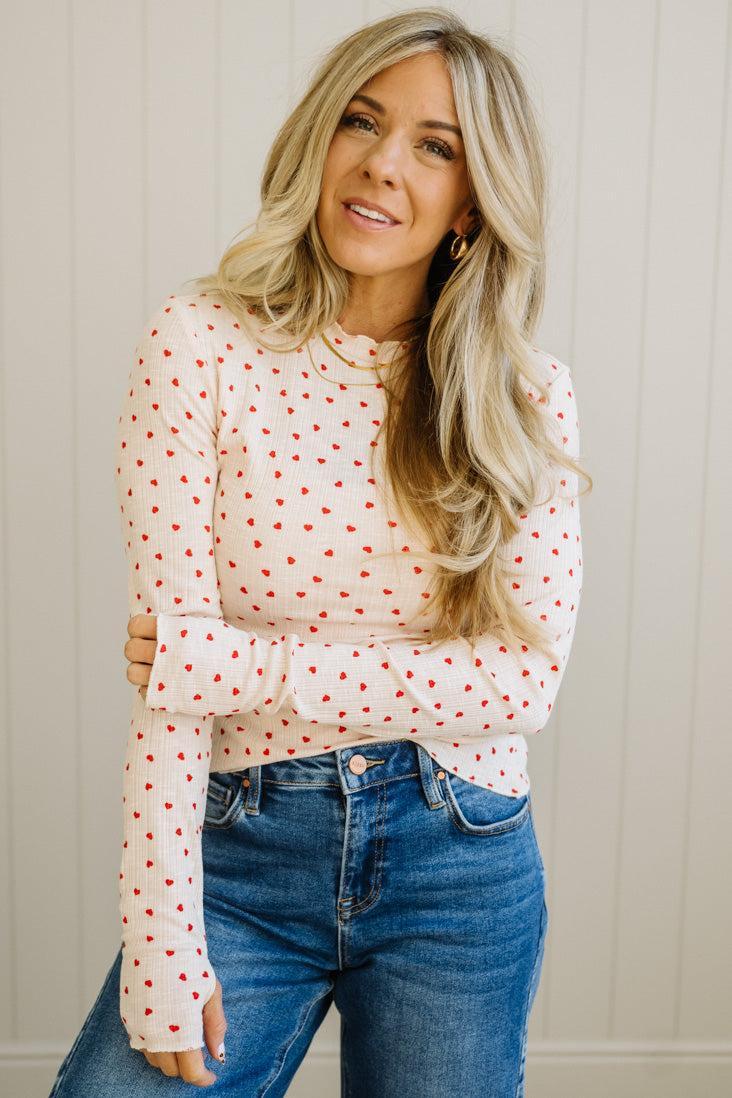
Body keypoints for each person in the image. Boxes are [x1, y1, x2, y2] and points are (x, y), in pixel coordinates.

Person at [49, 7, 591, 1096]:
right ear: (319, 136)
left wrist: (254, 665)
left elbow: (521, 680)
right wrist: (162, 933)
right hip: (244, 852)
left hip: (461, 858)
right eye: (361, 120)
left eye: (434, 146)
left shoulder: (526, 395)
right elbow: (172, 687)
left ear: (471, 202)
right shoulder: (199, 343)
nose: (382, 165)